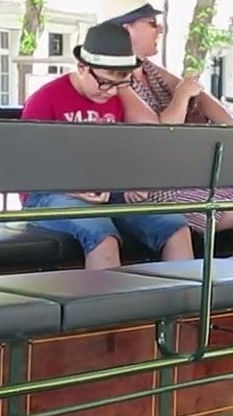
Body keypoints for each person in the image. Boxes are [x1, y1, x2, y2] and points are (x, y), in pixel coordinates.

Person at [99, 0, 233, 255]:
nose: (160, 29)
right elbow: (158, 134)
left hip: (178, 178)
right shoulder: (115, 77)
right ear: (127, 29)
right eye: (152, 23)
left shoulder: (148, 69)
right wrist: (182, 95)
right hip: (148, 187)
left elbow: (223, 118)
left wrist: (196, 93)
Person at [19, 20, 194, 269]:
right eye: (104, 82)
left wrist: (131, 181)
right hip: (50, 193)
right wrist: (71, 188)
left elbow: (140, 140)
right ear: (82, 67)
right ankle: (107, 295)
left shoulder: (118, 97)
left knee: (176, 228)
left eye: (120, 83)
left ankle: (183, 294)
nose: (110, 92)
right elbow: (25, 165)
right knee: (103, 237)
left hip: (108, 190)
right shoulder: (45, 99)